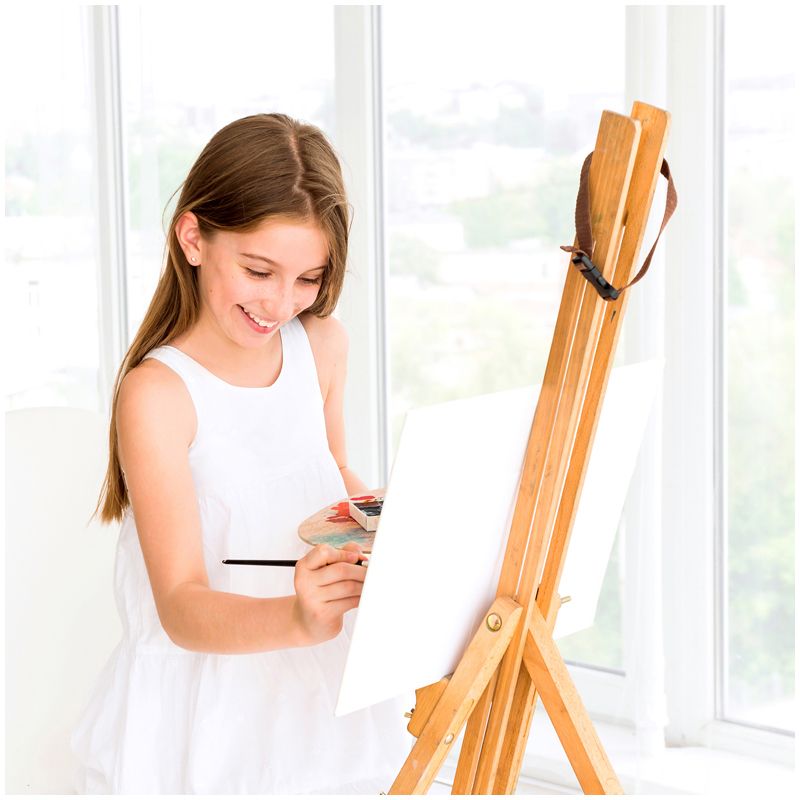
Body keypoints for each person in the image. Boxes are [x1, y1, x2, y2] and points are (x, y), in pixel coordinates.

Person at [71, 113, 413, 794]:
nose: (281, 303)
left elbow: (329, 476)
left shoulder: (323, 345)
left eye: (309, 278)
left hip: (313, 682)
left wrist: (383, 530)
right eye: (259, 271)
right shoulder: (158, 395)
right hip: (205, 707)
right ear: (193, 238)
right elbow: (180, 605)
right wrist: (296, 617)